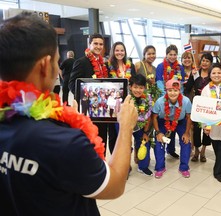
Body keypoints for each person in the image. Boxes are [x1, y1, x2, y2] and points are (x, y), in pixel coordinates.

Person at [0, 12, 138, 216]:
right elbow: (115, 186)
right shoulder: (65, 141)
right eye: (57, 62)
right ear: (45, 66)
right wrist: (126, 126)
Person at [69, 33, 117, 156]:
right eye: (95, 43)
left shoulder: (104, 64)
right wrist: (85, 99)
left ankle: (103, 164)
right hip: (89, 111)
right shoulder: (82, 62)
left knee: (102, 140)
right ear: (89, 44)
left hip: (103, 110)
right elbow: (71, 83)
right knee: (90, 141)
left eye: (101, 44)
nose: (98, 46)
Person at [152, 79, 192, 178]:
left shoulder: (186, 101)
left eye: (175, 90)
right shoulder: (160, 101)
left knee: (186, 142)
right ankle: (160, 167)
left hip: (180, 121)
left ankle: (184, 168)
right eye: (170, 90)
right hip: (163, 121)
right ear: (166, 91)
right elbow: (154, 117)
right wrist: (158, 132)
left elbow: (189, 117)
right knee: (159, 142)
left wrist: (187, 133)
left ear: (180, 91)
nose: (173, 93)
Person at [201, 63, 221, 182]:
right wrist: (205, 126)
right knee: (216, 146)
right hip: (212, 124)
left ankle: (217, 171)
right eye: (214, 73)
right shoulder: (206, 89)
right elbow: (203, 109)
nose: (217, 75)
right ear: (210, 75)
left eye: (219, 72)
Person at [155, 44, 186, 159]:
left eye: (174, 54)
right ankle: (164, 150)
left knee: (174, 123)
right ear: (166, 55)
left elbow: (181, 85)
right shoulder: (160, 66)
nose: (172, 57)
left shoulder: (180, 68)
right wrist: (167, 98)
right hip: (164, 100)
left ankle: (171, 149)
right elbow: (159, 84)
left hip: (177, 100)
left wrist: (177, 98)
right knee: (165, 124)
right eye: (170, 54)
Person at [188, 52, 213, 163]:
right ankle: (197, 150)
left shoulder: (213, 74)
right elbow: (188, 87)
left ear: (211, 63)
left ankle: (203, 151)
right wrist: (191, 76)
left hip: (209, 105)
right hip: (197, 105)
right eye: (203, 60)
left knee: (207, 129)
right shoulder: (195, 73)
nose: (204, 63)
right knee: (196, 129)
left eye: (207, 61)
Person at [129, 74, 154, 176]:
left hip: (141, 126)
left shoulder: (147, 98)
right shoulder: (126, 97)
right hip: (126, 125)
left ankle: (142, 167)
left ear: (144, 88)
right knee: (125, 146)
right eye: (135, 87)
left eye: (141, 87)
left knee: (144, 142)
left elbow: (148, 117)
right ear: (130, 87)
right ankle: (125, 167)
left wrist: (145, 133)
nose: (138, 90)